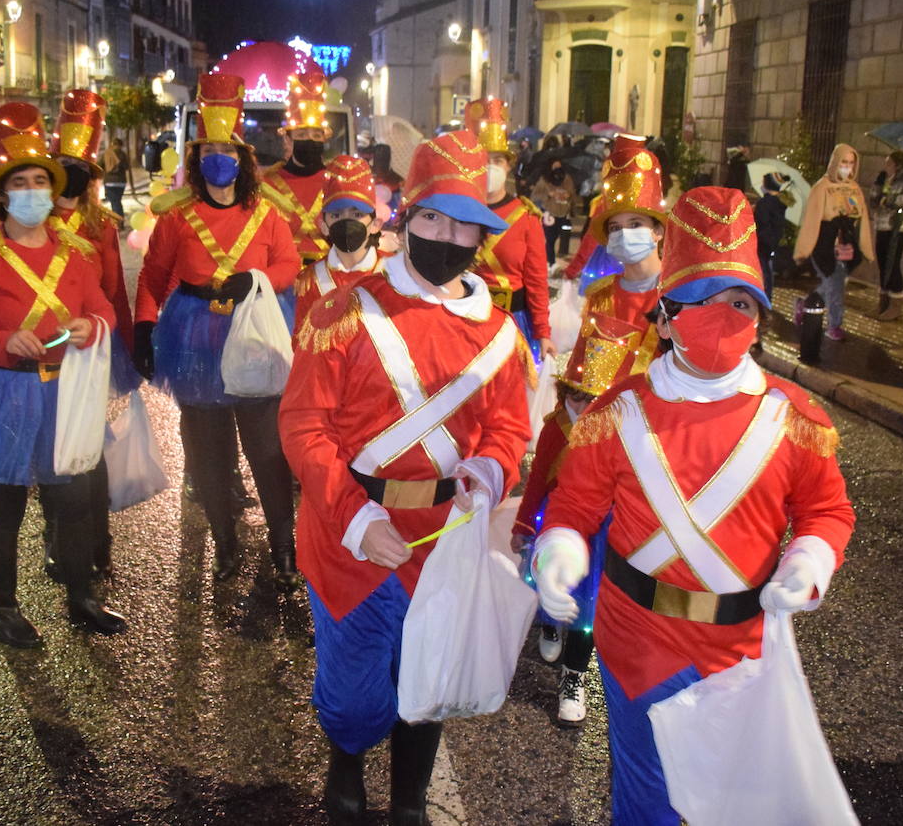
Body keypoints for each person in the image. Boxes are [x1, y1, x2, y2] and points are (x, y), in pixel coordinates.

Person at [535, 185, 857, 825]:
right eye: (703, 300)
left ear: (761, 318)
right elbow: (574, 506)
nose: (722, 315)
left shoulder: (795, 420)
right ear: (665, 316)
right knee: (646, 804)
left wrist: (811, 561)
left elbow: (827, 510)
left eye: (740, 301)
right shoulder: (617, 413)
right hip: (637, 642)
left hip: (741, 653)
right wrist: (560, 550)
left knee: (730, 808)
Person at [279, 130, 533, 826]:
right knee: (357, 685)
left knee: (430, 674)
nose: (445, 236)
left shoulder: (499, 335)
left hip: (445, 535)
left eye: (462, 224)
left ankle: (413, 797)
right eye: (432, 218)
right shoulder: (342, 311)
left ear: (480, 235)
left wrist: (491, 466)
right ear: (405, 219)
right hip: (350, 528)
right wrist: (359, 520)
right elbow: (304, 424)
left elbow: (511, 425)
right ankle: (347, 764)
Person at [0, 102, 127, 649]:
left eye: (40, 181)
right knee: (8, 510)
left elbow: (103, 308)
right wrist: (1, 342)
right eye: (20, 182)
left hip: (65, 394)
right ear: (2, 194)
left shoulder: (77, 250)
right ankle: (4, 608)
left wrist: (92, 324)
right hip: (6, 394)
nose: (32, 190)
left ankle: (81, 598)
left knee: (73, 503)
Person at [132, 73, 301, 586]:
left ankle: (283, 546)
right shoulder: (175, 219)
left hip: (252, 335)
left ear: (243, 159)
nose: (218, 159)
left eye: (228, 150)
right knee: (208, 455)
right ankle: (225, 544)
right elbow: (153, 278)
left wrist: (255, 280)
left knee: (267, 453)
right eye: (209, 150)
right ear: (196, 157)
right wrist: (143, 328)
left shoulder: (266, 214)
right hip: (195, 339)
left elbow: (290, 266)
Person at [513, 313, 645, 726]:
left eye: (597, 401)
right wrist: (523, 524)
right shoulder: (556, 429)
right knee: (552, 589)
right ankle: (548, 625)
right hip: (554, 525)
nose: (586, 409)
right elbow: (536, 479)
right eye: (578, 398)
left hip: (603, 539)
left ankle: (574, 677)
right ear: (565, 393)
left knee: (586, 616)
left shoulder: (629, 436)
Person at [41, 89, 140, 581]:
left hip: (92, 346)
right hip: (43, 348)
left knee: (91, 444)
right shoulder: (32, 220)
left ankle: (98, 540)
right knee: (50, 445)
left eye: (81, 165)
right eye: (64, 163)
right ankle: (56, 537)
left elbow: (113, 289)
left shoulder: (101, 223)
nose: (73, 172)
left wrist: (129, 343)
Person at [465, 98, 557, 364]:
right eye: (483, 160)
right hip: (465, 321)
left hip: (512, 324)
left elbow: (537, 282)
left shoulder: (526, 218)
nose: (490, 166)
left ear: (508, 166)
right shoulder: (457, 213)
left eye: (497, 160)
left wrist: (543, 332)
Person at [577, 135, 668, 375]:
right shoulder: (599, 296)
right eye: (616, 228)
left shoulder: (679, 296)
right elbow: (581, 370)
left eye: (635, 223)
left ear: (657, 231)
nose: (624, 234)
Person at [793, 143, 874, 341]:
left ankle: (804, 304)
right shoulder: (822, 188)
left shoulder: (855, 189)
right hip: (825, 245)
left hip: (847, 245)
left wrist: (866, 248)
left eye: (851, 163)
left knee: (833, 284)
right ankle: (834, 325)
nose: (847, 167)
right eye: (844, 162)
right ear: (835, 162)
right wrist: (803, 250)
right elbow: (811, 221)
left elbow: (862, 222)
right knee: (835, 284)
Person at [293, 155, 384, 328]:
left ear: (375, 224)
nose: (347, 222)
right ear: (323, 225)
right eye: (336, 215)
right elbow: (301, 344)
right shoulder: (310, 280)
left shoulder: (394, 273)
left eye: (357, 214)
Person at [264, 70, 333, 265]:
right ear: (288, 139)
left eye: (316, 136)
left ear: (324, 140)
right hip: (282, 280)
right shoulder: (267, 184)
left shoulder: (336, 182)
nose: (310, 141)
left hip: (328, 279)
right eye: (302, 135)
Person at [870, 152, 903, 321]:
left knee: (892, 264)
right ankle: (883, 302)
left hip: (899, 227)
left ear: (898, 164)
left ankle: (896, 305)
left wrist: (886, 200)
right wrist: (878, 186)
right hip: (882, 224)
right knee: (883, 263)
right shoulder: (885, 178)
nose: (886, 167)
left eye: (889, 163)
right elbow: (873, 200)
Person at [753, 171, 788, 297]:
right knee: (769, 272)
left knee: (763, 273)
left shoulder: (764, 204)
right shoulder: (781, 204)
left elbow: (761, 223)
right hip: (774, 243)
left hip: (762, 244)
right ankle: (768, 299)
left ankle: (763, 300)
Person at [100, 136, 130, 219]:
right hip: (121, 182)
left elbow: (100, 166)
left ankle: (119, 222)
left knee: (115, 203)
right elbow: (127, 167)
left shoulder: (106, 153)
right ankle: (119, 221)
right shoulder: (123, 154)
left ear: (112, 144)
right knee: (117, 201)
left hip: (109, 182)